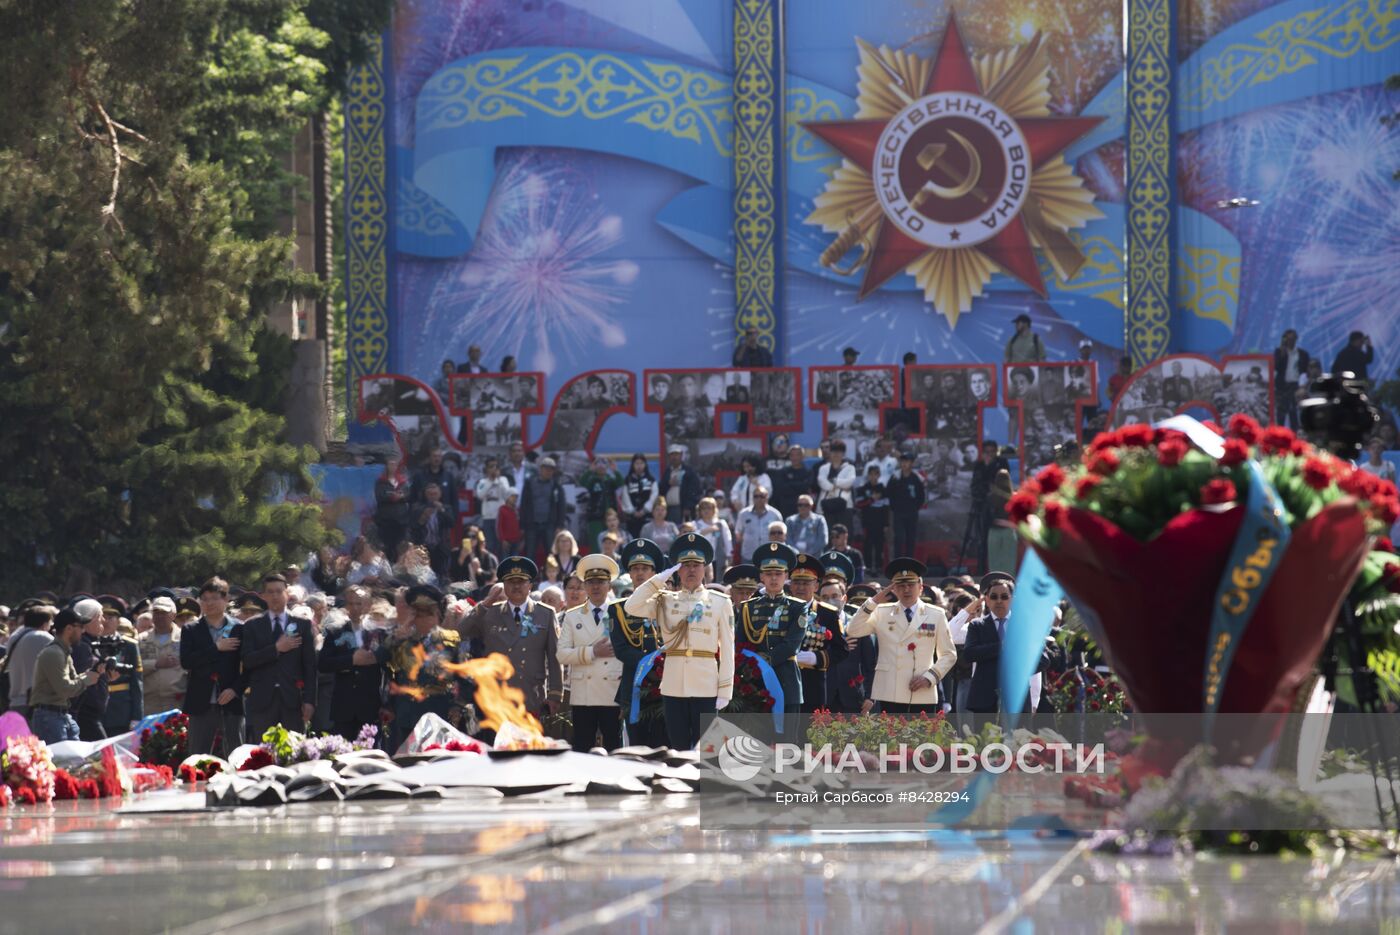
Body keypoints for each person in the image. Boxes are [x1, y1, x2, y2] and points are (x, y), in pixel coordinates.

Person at [624, 534, 735, 750]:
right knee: (678, 748)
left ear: (705, 569)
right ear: (677, 570)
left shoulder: (720, 602)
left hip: (706, 686)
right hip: (674, 685)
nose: (691, 570)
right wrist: (657, 580)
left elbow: (728, 649)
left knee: (706, 750)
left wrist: (725, 690)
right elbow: (631, 606)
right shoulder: (665, 600)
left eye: (696, 565)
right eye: (685, 566)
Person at [846, 558, 956, 713]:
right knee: (891, 736)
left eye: (911, 585)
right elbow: (853, 630)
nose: (906, 590)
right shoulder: (882, 612)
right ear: (894, 589)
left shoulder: (936, 614)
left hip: (921, 689)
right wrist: (872, 602)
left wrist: (930, 677)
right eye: (901, 585)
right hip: (890, 689)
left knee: (922, 736)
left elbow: (948, 654)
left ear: (920, 587)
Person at [459, 557, 564, 719]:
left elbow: (555, 656)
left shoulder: (545, 614)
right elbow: (461, 631)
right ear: (504, 586)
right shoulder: (490, 612)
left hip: (531, 695)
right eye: (511, 582)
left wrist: (555, 694)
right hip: (497, 697)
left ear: (530, 585)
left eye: (521, 581)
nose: (516, 586)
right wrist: (485, 604)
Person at [379, 584, 469, 751]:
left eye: (428, 613)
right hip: (406, 714)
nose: (423, 619)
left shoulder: (451, 640)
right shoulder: (401, 639)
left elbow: (465, 677)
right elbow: (380, 659)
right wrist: (399, 633)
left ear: (437, 614)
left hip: (439, 713)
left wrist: (458, 706)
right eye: (417, 614)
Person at [557, 553, 623, 752]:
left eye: (601, 582)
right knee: (582, 748)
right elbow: (562, 654)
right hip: (583, 693)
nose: (596, 587)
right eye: (591, 582)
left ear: (609, 586)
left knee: (614, 748)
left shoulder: (620, 612)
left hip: (612, 692)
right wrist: (592, 652)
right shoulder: (571, 616)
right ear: (585, 586)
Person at [241, 573, 318, 741]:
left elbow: (310, 667)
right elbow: (247, 660)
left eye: (278, 591)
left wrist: (309, 700)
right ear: (263, 596)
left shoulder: (302, 624)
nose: (275, 596)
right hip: (263, 700)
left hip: (292, 700)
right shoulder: (252, 625)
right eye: (270, 592)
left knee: (294, 753)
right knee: (263, 755)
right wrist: (276, 649)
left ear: (286, 594)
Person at [962, 576, 1053, 714]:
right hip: (984, 698)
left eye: (1004, 596)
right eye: (994, 596)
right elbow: (969, 654)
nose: (999, 601)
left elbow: (1043, 659)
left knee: (1018, 736)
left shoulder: (1024, 626)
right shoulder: (977, 625)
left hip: (1017, 697)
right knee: (984, 736)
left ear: (1013, 599)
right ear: (987, 600)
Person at [609, 540, 668, 747]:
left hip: (666, 685)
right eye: (635, 569)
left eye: (645, 568)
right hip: (635, 685)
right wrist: (653, 665)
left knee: (666, 747)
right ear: (630, 574)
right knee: (636, 748)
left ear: (654, 572)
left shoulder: (670, 604)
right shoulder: (617, 610)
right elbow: (621, 650)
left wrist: (662, 668)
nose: (640, 573)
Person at [736, 542, 807, 714]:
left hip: (786, 679)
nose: (773, 578)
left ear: (786, 576)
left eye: (778, 574)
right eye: (769, 574)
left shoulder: (797, 607)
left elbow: (792, 644)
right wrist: (753, 666)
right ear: (761, 577)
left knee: (787, 739)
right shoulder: (748, 607)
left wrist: (765, 660)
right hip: (755, 681)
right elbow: (741, 643)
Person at [181, 578, 246, 758]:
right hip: (201, 700)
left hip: (231, 700)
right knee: (198, 758)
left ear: (226, 600)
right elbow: (187, 661)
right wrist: (216, 648)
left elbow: (248, 666)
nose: (209, 603)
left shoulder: (239, 629)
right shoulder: (191, 629)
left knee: (236, 756)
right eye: (205, 598)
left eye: (214, 598)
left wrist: (235, 689)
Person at [318, 585, 386, 742]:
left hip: (370, 705)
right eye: (351, 603)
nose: (355, 608)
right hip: (344, 705)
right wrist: (350, 661)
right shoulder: (335, 631)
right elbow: (323, 664)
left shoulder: (378, 633)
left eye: (359, 603)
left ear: (368, 605)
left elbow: (386, 665)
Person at [29, 609, 102, 744]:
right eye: (80, 627)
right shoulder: (54, 653)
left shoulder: (63, 652)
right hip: (49, 717)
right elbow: (65, 689)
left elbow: (72, 682)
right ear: (69, 628)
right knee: (59, 762)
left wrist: (93, 674)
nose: (83, 631)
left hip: (60, 715)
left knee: (74, 761)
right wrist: (86, 680)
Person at [789, 553, 846, 713]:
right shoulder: (780, 610)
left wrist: (817, 658)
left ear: (816, 586)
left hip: (813, 685)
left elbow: (842, 650)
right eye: (797, 582)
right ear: (790, 585)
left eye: (806, 582)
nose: (801, 587)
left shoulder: (827, 614)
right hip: (783, 682)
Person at [820, 562, 876, 714]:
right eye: (825, 597)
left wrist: (870, 696)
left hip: (853, 697)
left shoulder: (857, 624)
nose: (830, 600)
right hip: (823, 696)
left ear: (844, 598)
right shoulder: (814, 625)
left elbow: (870, 664)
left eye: (835, 596)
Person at [97, 596, 144, 734]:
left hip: (121, 709)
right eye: (102, 617)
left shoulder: (129, 645)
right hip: (96, 709)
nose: (105, 621)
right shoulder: (89, 644)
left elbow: (137, 682)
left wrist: (136, 716)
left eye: (110, 617)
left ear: (118, 621)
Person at [4, 603, 56, 720]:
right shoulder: (44, 637)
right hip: (35, 705)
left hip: (15, 702)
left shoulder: (14, 637)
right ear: (44, 624)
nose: (51, 626)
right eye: (50, 623)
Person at [70, 598, 110, 740]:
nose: (104, 621)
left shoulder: (89, 644)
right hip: (85, 714)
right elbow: (81, 679)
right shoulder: (82, 646)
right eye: (99, 617)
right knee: (104, 757)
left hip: (91, 713)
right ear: (87, 621)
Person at [137, 595, 184, 716]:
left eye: (164, 612)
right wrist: (156, 664)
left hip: (177, 702)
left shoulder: (185, 637)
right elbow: (134, 668)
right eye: (156, 612)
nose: (159, 616)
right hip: (149, 704)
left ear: (173, 615)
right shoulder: (141, 639)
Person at [521, 457, 567, 564]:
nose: (548, 471)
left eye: (551, 469)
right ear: (540, 469)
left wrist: (560, 525)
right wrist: (522, 525)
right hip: (532, 524)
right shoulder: (530, 483)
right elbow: (524, 505)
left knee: (551, 553)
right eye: (546, 468)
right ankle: (530, 577)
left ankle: (552, 578)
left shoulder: (556, 486)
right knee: (530, 552)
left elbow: (561, 507)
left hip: (549, 524)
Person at [579, 456, 624, 550]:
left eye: (604, 466)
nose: (601, 468)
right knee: (596, 545)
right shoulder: (592, 480)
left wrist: (615, 471)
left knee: (611, 542)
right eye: (598, 466)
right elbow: (582, 482)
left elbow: (621, 483)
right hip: (595, 517)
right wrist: (590, 471)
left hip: (610, 517)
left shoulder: (610, 480)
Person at [412, 483, 454, 578]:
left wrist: (441, 510)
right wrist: (424, 516)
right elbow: (414, 526)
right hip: (424, 547)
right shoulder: (417, 508)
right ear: (425, 495)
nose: (432, 497)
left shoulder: (446, 508)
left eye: (435, 494)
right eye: (430, 494)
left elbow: (451, 523)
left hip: (441, 547)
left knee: (442, 575)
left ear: (440, 494)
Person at [474, 457, 515, 555]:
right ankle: (491, 567)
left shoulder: (503, 480)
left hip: (501, 518)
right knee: (490, 545)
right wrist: (491, 481)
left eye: (496, 466)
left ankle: (503, 568)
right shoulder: (482, 482)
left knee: (502, 545)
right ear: (486, 469)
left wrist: (498, 480)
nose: (493, 469)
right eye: (491, 467)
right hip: (488, 518)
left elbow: (507, 495)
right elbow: (480, 495)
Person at [888, 453, 926, 559]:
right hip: (898, 512)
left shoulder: (916, 478)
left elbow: (921, 496)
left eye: (907, 462)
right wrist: (894, 507)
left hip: (912, 512)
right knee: (899, 538)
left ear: (911, 463)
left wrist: (915, 507)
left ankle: (909, 563)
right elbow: (889, 493)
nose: (904, 464)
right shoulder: (895, 477)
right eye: (902, 461)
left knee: (911, 538)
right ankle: (898, 562)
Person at [373, 455, 412, 557]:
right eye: (391, 464)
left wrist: (401, 497)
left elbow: (409, 495)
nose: (393, 467)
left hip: (401, 520)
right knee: (387, 547)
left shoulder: (402, 481)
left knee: (400, 546)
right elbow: (380, 496)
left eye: (395, 464)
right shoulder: (381, 481)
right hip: (386, 521)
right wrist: (393, 497)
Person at [1273, 330, 1311, 429]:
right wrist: (1282, 351)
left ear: (1296, 339)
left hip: (1296, 386)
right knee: (1281, 414)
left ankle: (1295, 437)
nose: (1290, 341)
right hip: (1282, 386)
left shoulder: (1302, 354)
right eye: (1288, 339)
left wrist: (1304, 386)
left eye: (1292, 339)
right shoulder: (1279, 352)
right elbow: (1276, 367)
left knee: (1294, 414)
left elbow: (1307, 371)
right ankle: (1279, 436)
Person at [854, 465, 890, 569]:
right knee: (868, 545)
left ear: (879, 475)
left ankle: (878, 567)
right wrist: (871, 499)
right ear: (868, 475)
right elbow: (858, 504)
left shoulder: (883, 489)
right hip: (867, 522)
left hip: (880, 523)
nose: (874, 476)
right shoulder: (863, 489)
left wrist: (886, 524)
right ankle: (868, 567)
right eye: (871, 474)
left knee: (879, 545)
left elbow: (886, 508)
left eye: (876, 474)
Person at [816, 440, 857, 530]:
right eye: (834, 451)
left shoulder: (850, 468)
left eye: (839, 451)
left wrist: (833, 481)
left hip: (845, 506)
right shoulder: (823, 468)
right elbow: (821, 482)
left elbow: (849, 482)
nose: (836, 454)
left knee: (844, 535)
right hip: (826, 506)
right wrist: (836, 486)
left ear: (843, 453)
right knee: (828, 536)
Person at [733, 486, 781, 559]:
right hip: (748, 556)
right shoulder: (743, 514)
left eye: (762, 496)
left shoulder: (775, 515)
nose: (759, 499)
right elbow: (738, 532)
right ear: (753, 498)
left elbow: (781, 536)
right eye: (756, 496)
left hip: (769, 556)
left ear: (767, 497)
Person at [618, 453, 658, 538]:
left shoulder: (651, 479)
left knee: (647, 539)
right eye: (636, 463)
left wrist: (645, 510)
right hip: (632, 518)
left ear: (645, 465)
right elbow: (625, 497)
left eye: (641, 463)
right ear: (633, 465)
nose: (639, 466)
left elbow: (654, 496)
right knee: (633, 539)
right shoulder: (628, 480)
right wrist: (632, 511)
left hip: (647, 516)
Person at [658, 445, 701, 523]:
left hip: (683, 509)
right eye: (672, 455)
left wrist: (688, 506)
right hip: (668, 509)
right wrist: (668, 483)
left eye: (676, 454)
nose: (674, 457)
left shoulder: (689, 471)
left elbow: (695, 490)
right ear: (669, 457)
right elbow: (661, 490)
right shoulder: (667, 472)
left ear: (681, 455)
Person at [692, 496, 733, 578]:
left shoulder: (721, 523)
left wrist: (729, 555)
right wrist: (708, 530)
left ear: (714, 510)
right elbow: (692, 536)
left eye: (709, 508)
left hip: (718, 558)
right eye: (704, 508)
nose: (706, 511)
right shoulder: (695, 524)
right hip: (701, 558)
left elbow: (728, 540)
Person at [770, 444, 814, 519]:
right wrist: (799, 485)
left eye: (798, 455)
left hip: (804, 509)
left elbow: (807, 487)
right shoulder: (783, 472)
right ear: (789, 457)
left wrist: (790, 485)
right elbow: (781, 488)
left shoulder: (808, 472)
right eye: (792, 455)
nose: (795, 458)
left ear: (803, 457)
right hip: (786, 509)